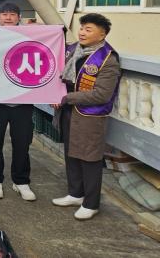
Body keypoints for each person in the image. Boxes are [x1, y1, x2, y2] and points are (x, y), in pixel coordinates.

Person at [52, 13, 120, 220]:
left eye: (88, 29)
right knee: (71, 154)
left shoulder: (108, 59)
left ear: (102, 34)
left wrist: (66, 97)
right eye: (82, 28)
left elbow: (102, 94)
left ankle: (91, 203)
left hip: (90, 116)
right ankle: (75, 194)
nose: (82, 32)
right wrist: (55, 95)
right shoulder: (73, 50)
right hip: (69, 111)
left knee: (89, 159)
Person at [0, 1, 36, 201]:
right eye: (4, 14)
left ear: (19, 17)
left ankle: (21, 181)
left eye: (12, 14)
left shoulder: (30, 35)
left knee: (22, 143)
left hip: (23, 99)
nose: (8, 17)